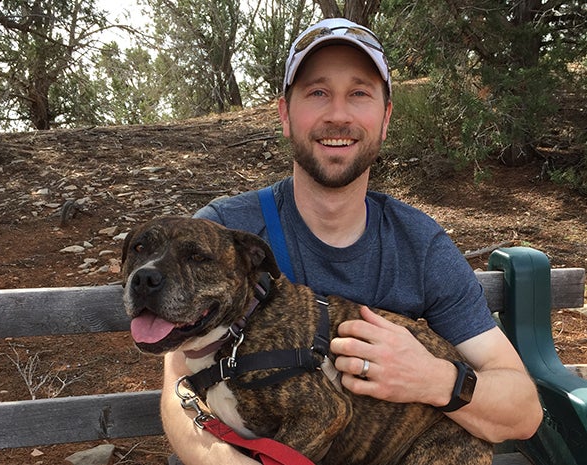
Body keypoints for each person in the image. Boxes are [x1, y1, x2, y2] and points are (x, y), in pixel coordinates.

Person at [161, 17, 543, 464]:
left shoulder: (421, 246)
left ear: (385, 118)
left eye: (359, 93)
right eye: (317, 92)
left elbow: (522, 411)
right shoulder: (221, 234)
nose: (338, 114)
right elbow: (177, 387)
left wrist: (434, 379)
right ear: (285, 114)